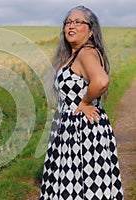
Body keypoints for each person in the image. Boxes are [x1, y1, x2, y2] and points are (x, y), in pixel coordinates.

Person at [40, 5, 123, 200]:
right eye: (68, 22)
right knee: (77, 184)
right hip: (72, 129)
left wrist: (84, 102)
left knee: (82, 186)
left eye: (78, 22)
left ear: (91, 30)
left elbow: (101, 81)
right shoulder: (75, 54)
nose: (71, 25)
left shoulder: (86, 52)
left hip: (82, 130)